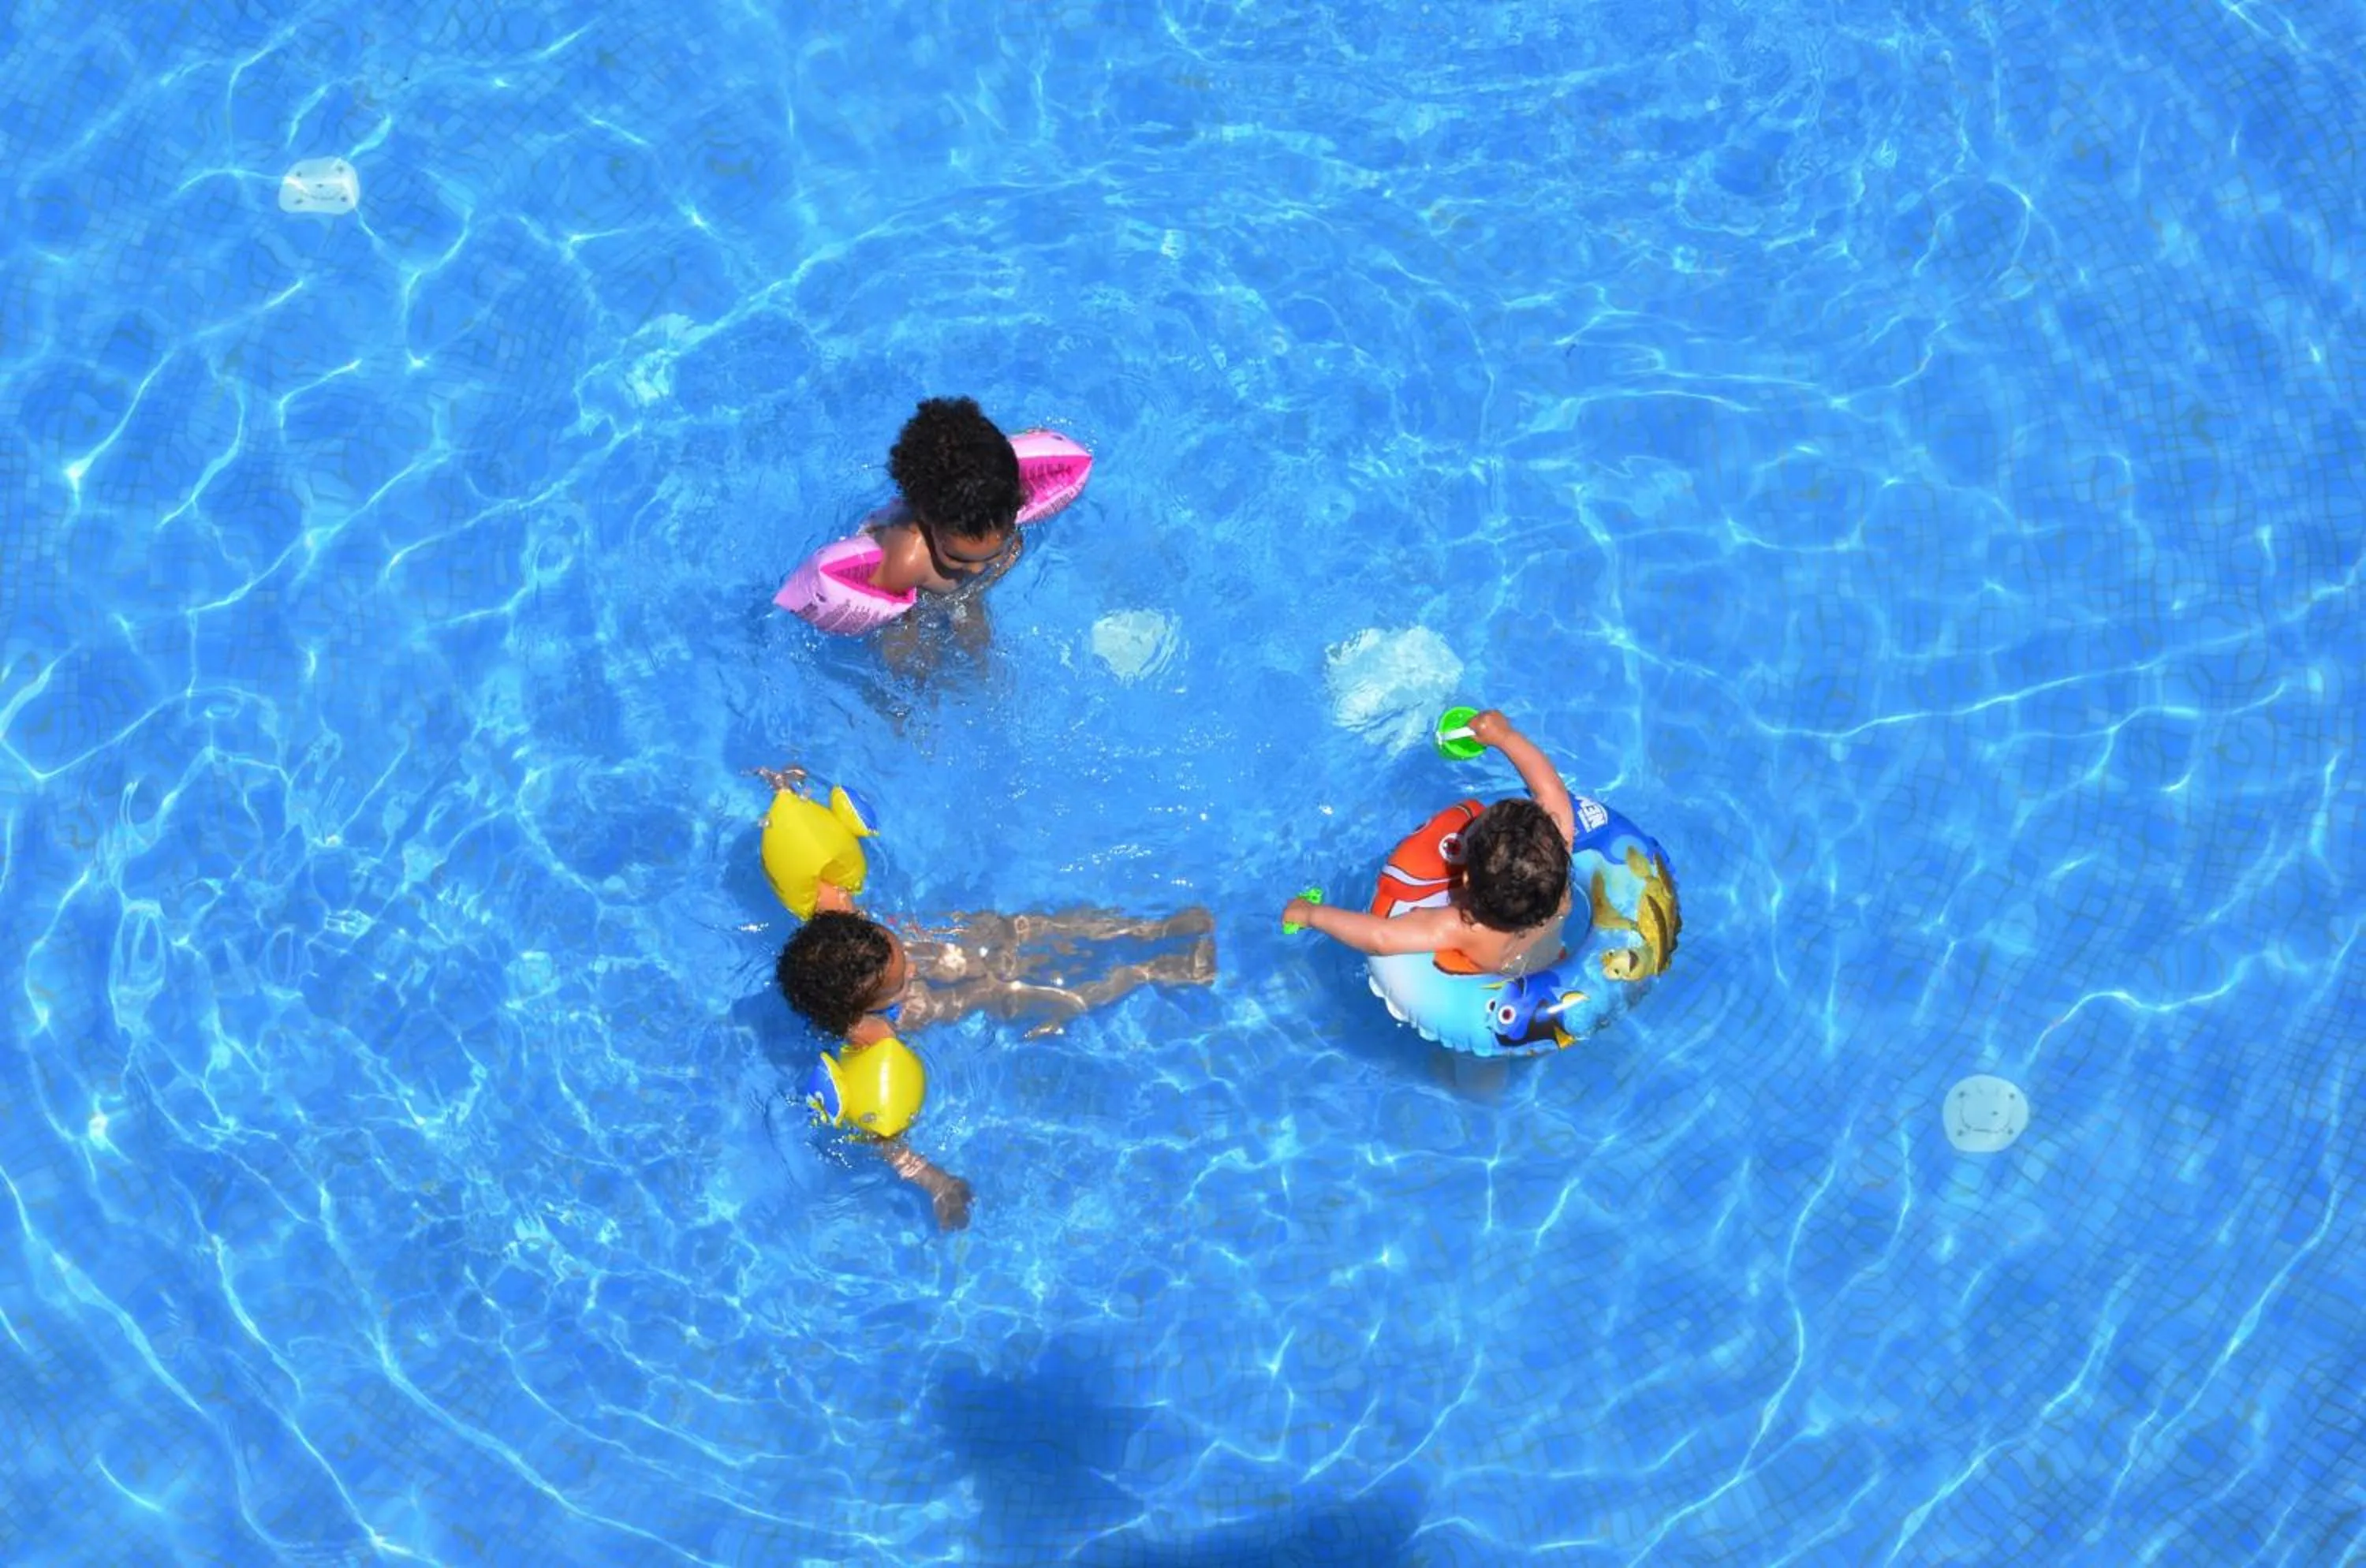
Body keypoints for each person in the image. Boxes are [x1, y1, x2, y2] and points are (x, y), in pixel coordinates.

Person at [778, 909, 1216, 1230]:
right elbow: (881, 1136)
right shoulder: (867, 1040)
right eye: (901, 978)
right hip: (937, 1005)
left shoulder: (853, 946)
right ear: (859, 1011)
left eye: (896, 948)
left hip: (926, 965)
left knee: (1015, 936)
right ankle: (1152, 969)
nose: (911, 965)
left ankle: (1148, 929)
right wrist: (936, 1183)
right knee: (1012, 996)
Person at [1281, 708, 1576, 976]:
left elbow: (1381, 938)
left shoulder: (1463, 927)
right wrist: (1505, 736)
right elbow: (1551, 791)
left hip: (1494, 970)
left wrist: (1308, 913)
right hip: (1545, 946)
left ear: (1466, 877)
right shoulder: (1555, 860)